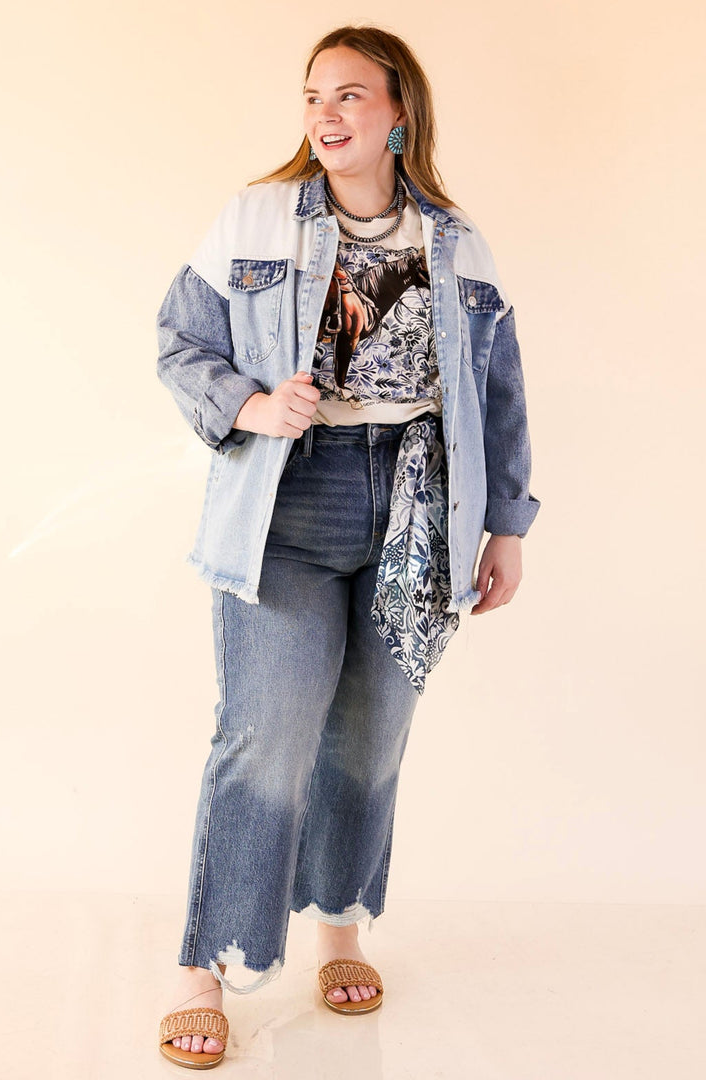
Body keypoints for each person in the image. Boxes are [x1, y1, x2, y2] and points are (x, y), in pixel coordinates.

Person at [156, 24, 540, 1069]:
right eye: (313, 96)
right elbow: (179, 342)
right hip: (288, 502)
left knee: (369, 741)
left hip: (419, 510)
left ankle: (339, 926)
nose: (325, 115)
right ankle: (206, 965)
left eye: (350, 95)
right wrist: (247, 403)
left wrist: (507, 522)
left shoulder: (459, 242)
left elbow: (498, 392)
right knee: (264, 735)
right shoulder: (255, 216)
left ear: (400, 111)